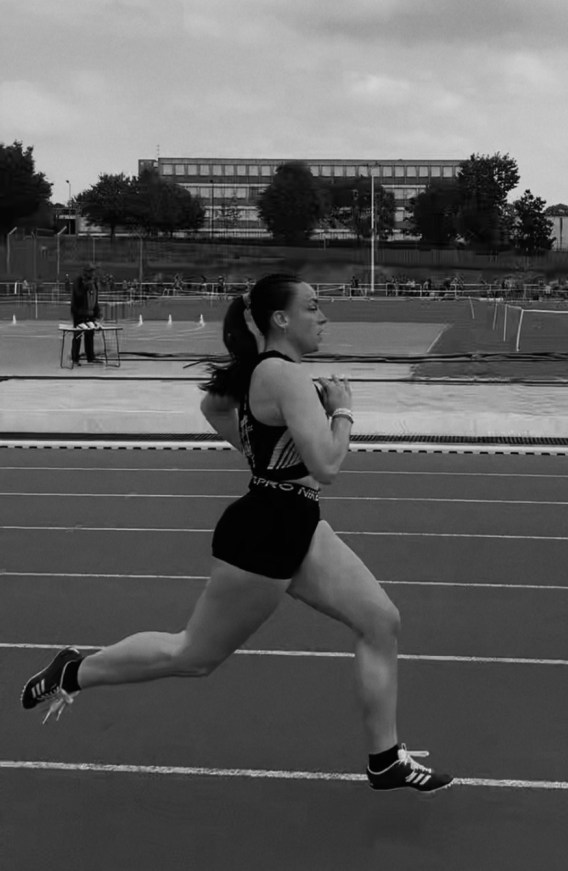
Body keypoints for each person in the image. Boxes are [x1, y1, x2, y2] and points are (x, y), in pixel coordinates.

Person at [20, 272, 452, 793]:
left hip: (297, 519)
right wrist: (342, 411)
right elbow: (328, 465)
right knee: (192, 657)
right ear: (281, 319)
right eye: (313, 307)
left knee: (381, 621)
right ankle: (73, 671)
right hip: (264, 530)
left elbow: (214, 407)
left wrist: (264, 457)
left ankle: (384, 759)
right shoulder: (285, 376)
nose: (323, 317)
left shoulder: (266, 372)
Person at [70, 263, 102, 366]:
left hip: (90, 313)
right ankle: (75, 359)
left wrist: (97, 311)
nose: (93, 273)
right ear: (86, 272)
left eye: (93, 271)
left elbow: (95, 298)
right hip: (79, 313)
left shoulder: (94, 282)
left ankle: (90, 357)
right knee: (78, 336)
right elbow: (78, 295)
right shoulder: (78, 281)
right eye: (91, 271)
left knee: (90, 335)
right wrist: (85, 286)